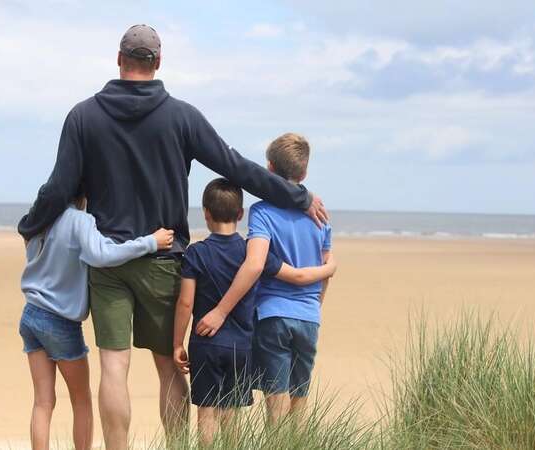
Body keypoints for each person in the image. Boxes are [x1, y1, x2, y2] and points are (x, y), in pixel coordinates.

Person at [17, 24, 329, 450]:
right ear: (158, 63)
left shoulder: (83, 116)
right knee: (168, 367)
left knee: (114, 365)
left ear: (119, 59)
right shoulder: (181, 116)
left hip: (108, 263)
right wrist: (297, 195)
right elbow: (236, 167)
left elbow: (59, 188)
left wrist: (31, 225)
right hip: (165, 259)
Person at [172, 178, 336, 446]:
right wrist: (328, 269)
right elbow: (293, 274)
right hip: (242, 346)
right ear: (240, 214)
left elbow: (185, 303)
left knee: (206, 411)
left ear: (206, 213)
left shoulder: (196, 253)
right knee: (232, 414)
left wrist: (178, 342)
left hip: (205, 343)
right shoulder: (253, 253)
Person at [18, 189, 174, 450]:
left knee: (43, 402)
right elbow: (101, 255)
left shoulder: (39, 220)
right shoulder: (80, 221)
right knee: (81, 401)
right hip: (60, 322)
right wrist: (150, 242)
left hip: (31, 314)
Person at [195, 133, 332, 425]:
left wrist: (221, 311)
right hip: (309, 316)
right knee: (300, 398)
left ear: (268, 170)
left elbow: (255, 264)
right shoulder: (320, 216)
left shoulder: (262, 212)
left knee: (276, 401)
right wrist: (315, 307)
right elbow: (325, 269)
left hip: (272, 315)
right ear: (304, 172)